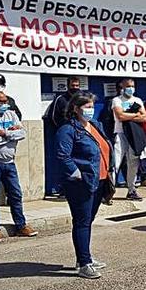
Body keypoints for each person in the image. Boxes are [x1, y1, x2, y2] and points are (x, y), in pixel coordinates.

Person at [55, 92, 114, 279]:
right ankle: (84, 264)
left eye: (92, 106)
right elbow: (62, 155)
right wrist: (77, 173)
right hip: (81, 183)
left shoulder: (96, 125)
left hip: (100, 180)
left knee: (88, 220)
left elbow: (104, 148)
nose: (91, 110)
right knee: (81, 221)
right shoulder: (68, 130)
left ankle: (84, 257)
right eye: (86, 107)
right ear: (75, 108)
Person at [0, 90, 38, 244]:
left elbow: (22, 133)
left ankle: (21, 225)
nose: (5, 104)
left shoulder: (11, 114)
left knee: (16, 195)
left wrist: (3, 133)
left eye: (6, 101)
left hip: (9, 162)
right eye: (1, 102)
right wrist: (11, 135)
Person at [111, 79, 146, 200]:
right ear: (122, 87)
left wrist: (129, 116)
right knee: (115, 163)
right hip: (121, 134)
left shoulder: (137, 100)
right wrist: (135, 115)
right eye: (128, 86)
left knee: (133, 163)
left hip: (134, 135)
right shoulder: (117, 100)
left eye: (132, 86)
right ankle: (108, 191)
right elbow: (120, 116)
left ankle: (131, 190)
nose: (130, 88)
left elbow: (144, 118)